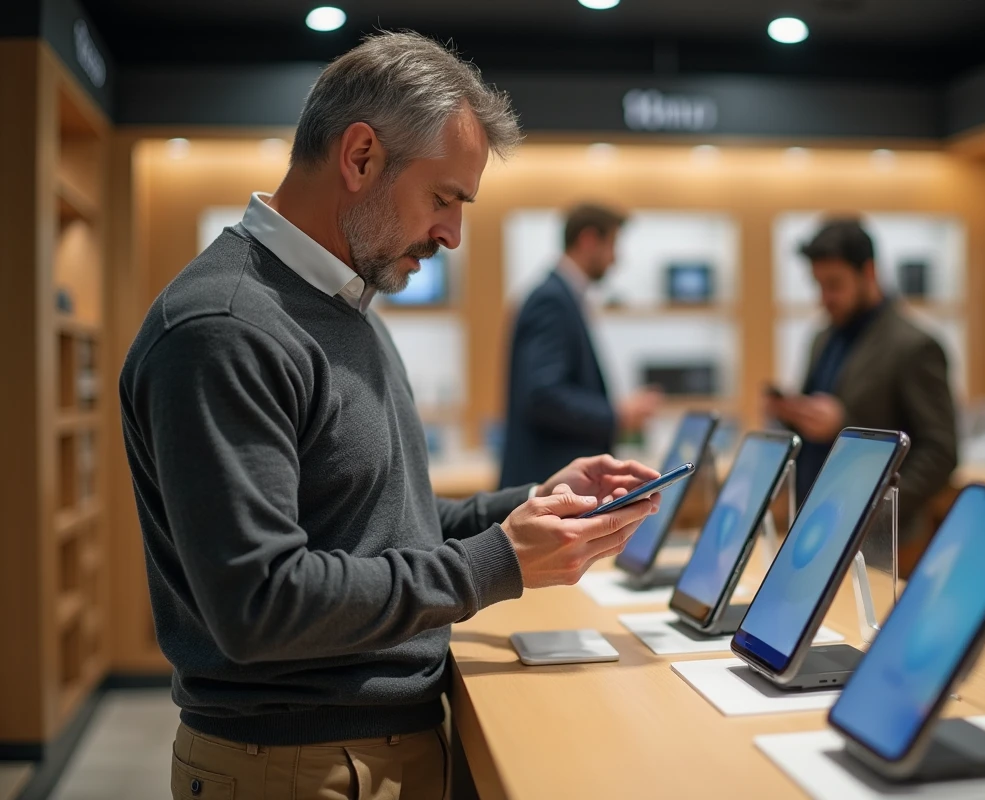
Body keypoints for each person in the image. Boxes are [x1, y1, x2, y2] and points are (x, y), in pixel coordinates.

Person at [119, 32, 661, 800]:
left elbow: (383, 524)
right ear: (361, 156)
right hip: (301, 766)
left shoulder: (350, 308)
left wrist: (532, 507)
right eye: (444, 199)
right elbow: (262, 604)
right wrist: (498, 562)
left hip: (367, 748)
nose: (452, 234)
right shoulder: (226, 326)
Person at [765, 218, 958, 551]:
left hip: (877, 541)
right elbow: (822, 424)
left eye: (835, 284)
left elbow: (941, 452)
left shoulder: (915, 345)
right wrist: (790, 414)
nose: (824, 298)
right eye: (818, 285)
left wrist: (874, 508)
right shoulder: (823, 337)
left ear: (868, 272)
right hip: (815, 525)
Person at [499, 203, 663, 488]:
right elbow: (543, 395)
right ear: (588, 240)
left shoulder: (562, 296)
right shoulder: (552, 300)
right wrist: (618, 414)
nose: (616, 259)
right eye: (612, 245)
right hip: (548, 482)